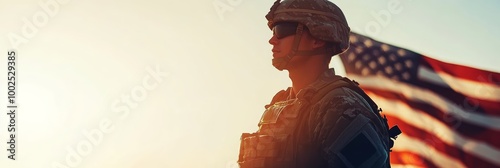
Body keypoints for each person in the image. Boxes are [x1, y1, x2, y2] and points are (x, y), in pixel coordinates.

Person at [237, 0, 400, 167]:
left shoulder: (339, 106)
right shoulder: (282, 102)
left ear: (318, 39)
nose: (272, 40)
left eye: (281, 31)